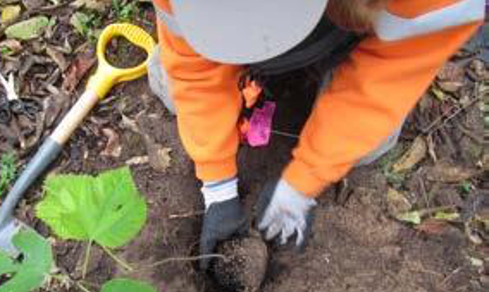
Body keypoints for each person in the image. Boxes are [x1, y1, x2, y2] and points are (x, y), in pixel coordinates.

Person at [147, 0, 485, 269]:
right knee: (170, 85)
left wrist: (305, 179)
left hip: (353, 33)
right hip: (238, 33)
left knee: (370, 146)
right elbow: (194, 72)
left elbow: (380, 85)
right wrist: (217, 184)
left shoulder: (436, 4)